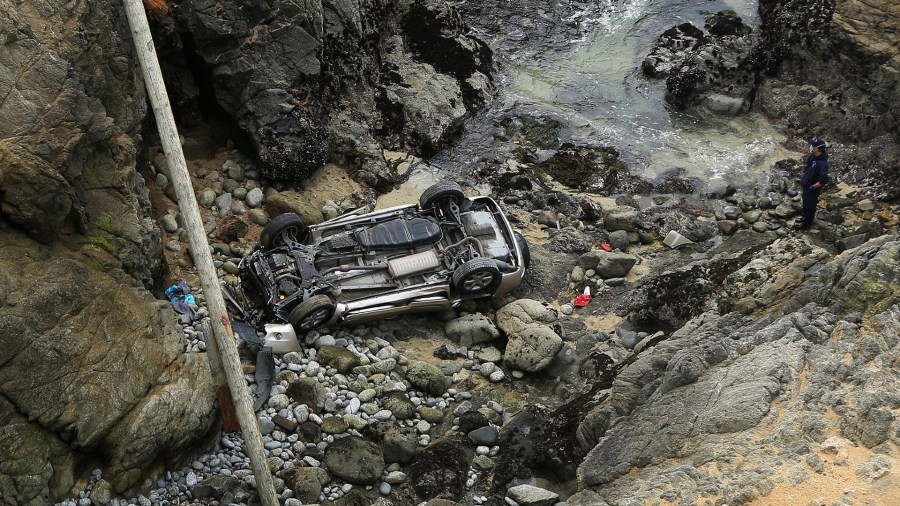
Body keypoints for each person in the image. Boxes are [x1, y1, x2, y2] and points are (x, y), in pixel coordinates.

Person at [794, 138, 830, 230]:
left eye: (813, 146)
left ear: (818, 148)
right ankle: (804, 218)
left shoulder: (822, 164)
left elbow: (823, 180)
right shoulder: (812, 156)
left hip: (812, 188)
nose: (811, 147)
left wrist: (813, 187)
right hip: (806, 184)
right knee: (805, 204)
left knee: (810, 206)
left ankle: (806, 224)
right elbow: (807, 168)